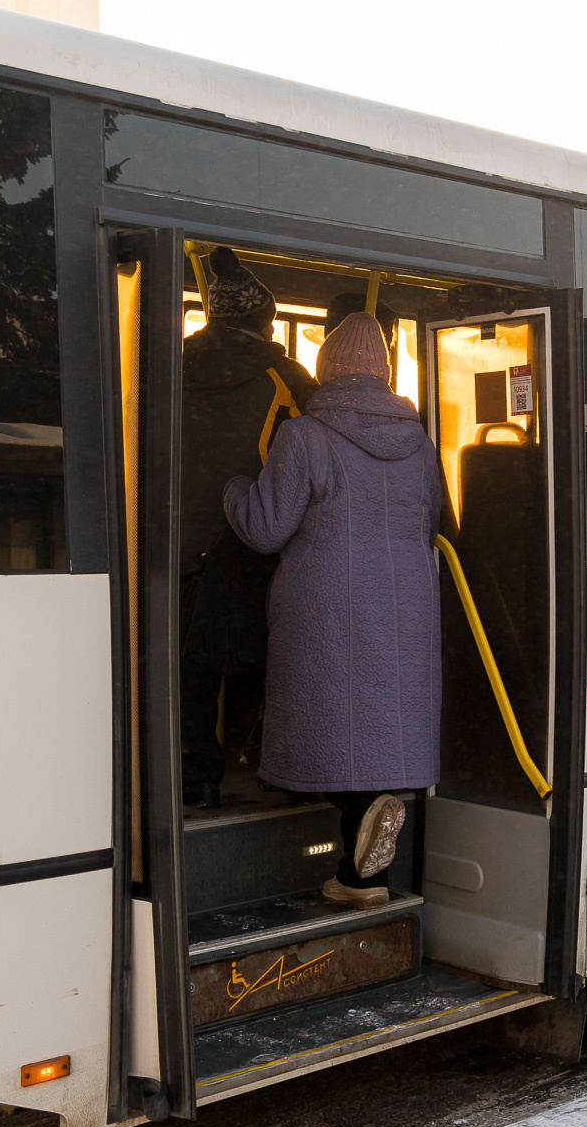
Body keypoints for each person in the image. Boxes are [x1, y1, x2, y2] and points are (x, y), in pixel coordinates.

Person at [223, 312, 441, 907]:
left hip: (326, 604)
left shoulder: (305, 435)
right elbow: (434, 519)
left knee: (329, 725)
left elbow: (266, 529)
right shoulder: (419, 443)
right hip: (406, 605)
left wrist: (235, 488)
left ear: (327, 368)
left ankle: (361, 819)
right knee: (378, 728)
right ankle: (360, 877)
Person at [178, 247, 318, 808]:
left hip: (171, 540)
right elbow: (321, 448)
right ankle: (266, 762)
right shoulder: (282, 376)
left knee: (191, 667)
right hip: (251, 541)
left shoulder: (163, 363)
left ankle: (195, 780)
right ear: (265, 322)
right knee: (270, 657)